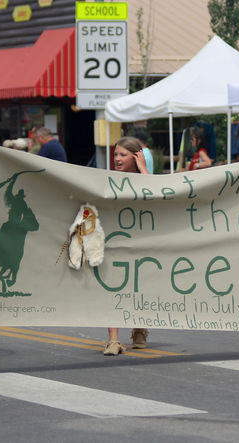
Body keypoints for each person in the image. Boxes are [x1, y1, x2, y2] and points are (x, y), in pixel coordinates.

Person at [104, 137, 150, 356]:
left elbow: (155, 197)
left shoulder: (145, 179)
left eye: (122, 155)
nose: (117, 159)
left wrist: (143, 169)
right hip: (115, 240)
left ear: (135, 156)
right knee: (113, 287)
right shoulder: (108, 179)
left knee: (140, 286)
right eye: (115, 155)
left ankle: (139, 329)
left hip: (140, 240)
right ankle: (113, 340)